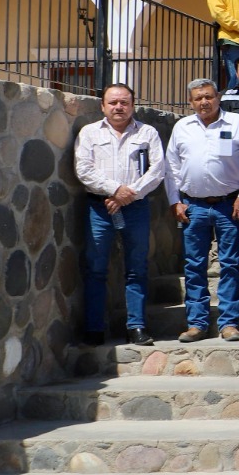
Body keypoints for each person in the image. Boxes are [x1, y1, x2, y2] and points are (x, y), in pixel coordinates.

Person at [74, 83, 164, 346]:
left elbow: (157, 170)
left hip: (136, 208)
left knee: (137, 269)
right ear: (103, 106)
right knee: (95, 269)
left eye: (124, 102)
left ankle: (136, 326)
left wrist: (127, 195)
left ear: (133, 105)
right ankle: (94, 328)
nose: (118, 107)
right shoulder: (89, 133)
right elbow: (83, 170)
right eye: (113, 102)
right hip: (99, 208)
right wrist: (115, 190)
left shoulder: (147, 133)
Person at [166, 77, 239, 343]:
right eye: (198, 98)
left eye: (208, 96)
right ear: (190, 102)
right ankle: (197, 323)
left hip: (229, 205)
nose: (204, 102)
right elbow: (171, 167)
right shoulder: (182, 127)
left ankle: (229, 323)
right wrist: (175, 201)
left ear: (218, 97)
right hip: (193, 206)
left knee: (230, 265)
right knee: (194, 266)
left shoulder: (237, 123)